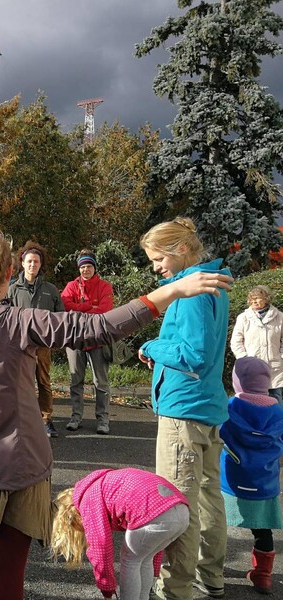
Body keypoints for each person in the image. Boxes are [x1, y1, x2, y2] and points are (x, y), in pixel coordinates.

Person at [0, 228, 232, 600]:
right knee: (8, 566)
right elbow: (97, 328)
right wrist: (171, 291)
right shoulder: (19, 321)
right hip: (22, 463)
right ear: (8, 275)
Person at [138, 216, 232, 600]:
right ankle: (211, 575)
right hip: (207, 407)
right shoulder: (212, 284)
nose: (156, 268)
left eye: (158, 259)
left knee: (178, 505)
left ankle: (175, 588)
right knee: (209, 497)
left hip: (184, 410)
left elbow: (193, 354)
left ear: (180, 250)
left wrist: (151, 346)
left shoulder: (191, 291)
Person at [50, 468, 189, 600]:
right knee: (145, 558)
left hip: (156, 514)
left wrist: (107, 588)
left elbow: (100, 547)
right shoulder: (103, 483)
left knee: (130, 560)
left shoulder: (88, 500)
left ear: (71, 516)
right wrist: (156, 567)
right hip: (181, 510)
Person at [219, 357, 283, 595]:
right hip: (264, 483)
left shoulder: (230, 407)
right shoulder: (278, 412)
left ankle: (212, 569)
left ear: (238, 381)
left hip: (231, 481)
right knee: (263, 529)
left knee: (218, 525)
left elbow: (217, 433)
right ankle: (263, 575)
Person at [6, 241, 64, 438]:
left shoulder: (50, 289)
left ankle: (46, 419)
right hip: (20, 345)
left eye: (36, 262)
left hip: (43, 344)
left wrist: (54, 337)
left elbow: (60, 316)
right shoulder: (12, 289)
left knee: (44, 382)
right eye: (29, 261)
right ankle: (24, 420)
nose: (32, 265)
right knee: (22, 383)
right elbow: (6, 317)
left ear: (41, 264)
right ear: (22, 263)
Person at [60, 248, 114, 434]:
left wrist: (79, 310)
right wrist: (90, 306)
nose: (86, 270)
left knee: (101, 382)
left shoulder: (104, 286)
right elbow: (65, 305)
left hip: (98, 339)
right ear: (79, 268)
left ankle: (103, 419)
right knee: (76, 379)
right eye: (83, 267)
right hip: (75, 339)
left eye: (89, 266)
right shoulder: (71, 286)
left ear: (94, 267)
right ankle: (76, 417)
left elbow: (105, 310)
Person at [230, 285, 283, 405]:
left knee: (276, 401)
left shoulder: (279, 317)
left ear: (267, 299)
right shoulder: (243, 318)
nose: (254, 301)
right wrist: (245, 358)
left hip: (274, 368)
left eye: (257, 298)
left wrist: (281, 356)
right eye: (251, 298)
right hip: (252, 369)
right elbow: (236, 341)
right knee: (252, 402)